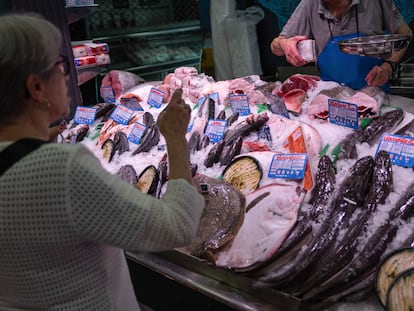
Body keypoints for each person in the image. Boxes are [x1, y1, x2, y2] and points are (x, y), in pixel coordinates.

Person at [0, 13, 205, 310]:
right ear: (36, 87)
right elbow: (177, 227)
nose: (66, 76)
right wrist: (174, 137)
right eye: (59, 67)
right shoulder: (61, 170)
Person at [270, 0, 413, 90]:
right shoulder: (309, 4)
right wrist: (283, 43)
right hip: (332, 95)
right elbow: (275, 47)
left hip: (374, 90)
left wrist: (388, 67)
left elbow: (405, 33)